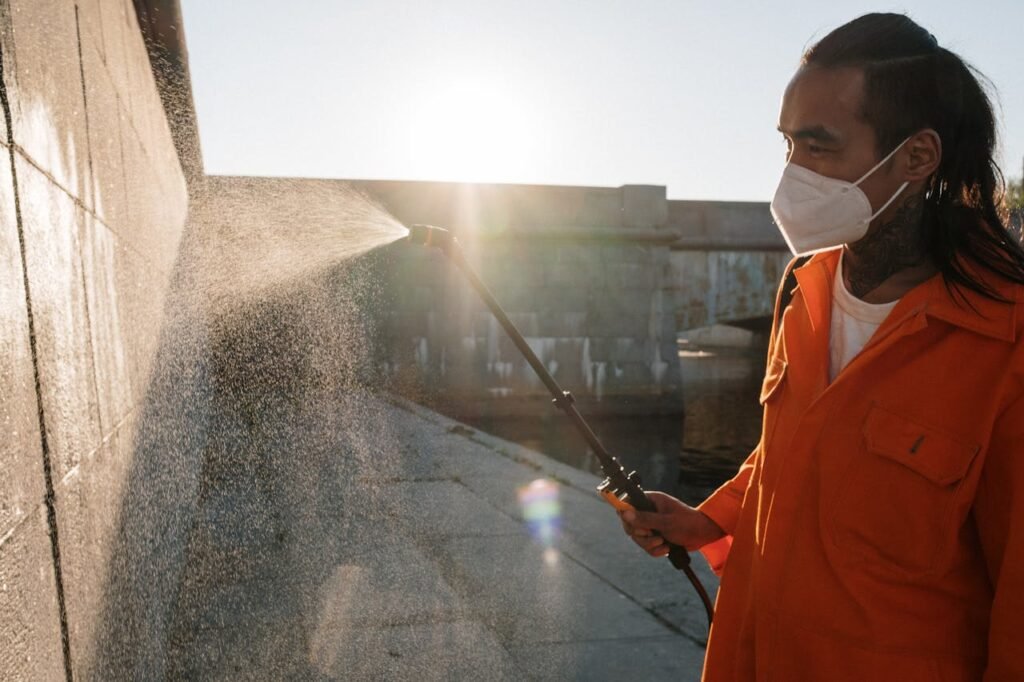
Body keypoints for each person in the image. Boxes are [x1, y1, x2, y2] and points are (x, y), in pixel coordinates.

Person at [619, 13, 1024, 681]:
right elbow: (791, 452)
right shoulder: (801, 286)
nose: (792, 176)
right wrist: (706, 521)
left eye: (820, 147)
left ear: (917, 158)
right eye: (788, 147)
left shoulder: (1005, 340)